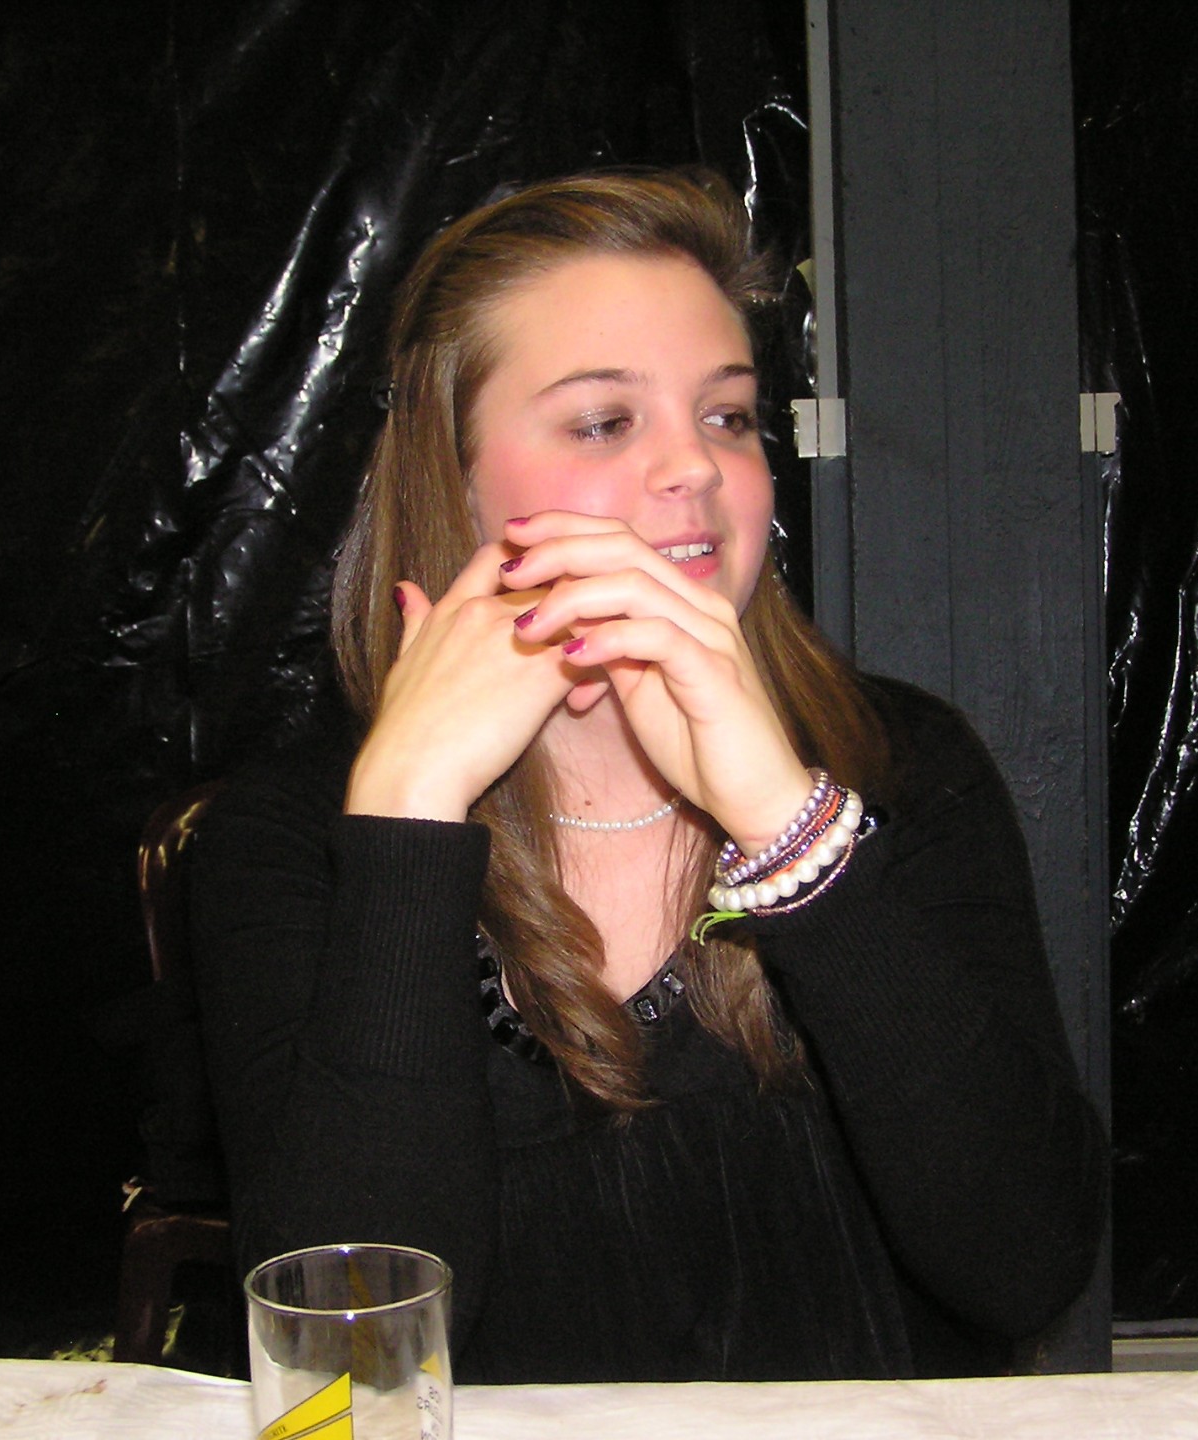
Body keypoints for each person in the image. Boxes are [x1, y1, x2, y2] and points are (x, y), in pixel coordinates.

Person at [189, 168, 1105, 1383]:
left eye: (726, 417)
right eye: (603, 422)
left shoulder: (903, 764)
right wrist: (409, 815)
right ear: (451, 481)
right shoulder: (288, 835)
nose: (696, 468)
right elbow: (351, 1366)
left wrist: (786, 825)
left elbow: (1025, 1267)